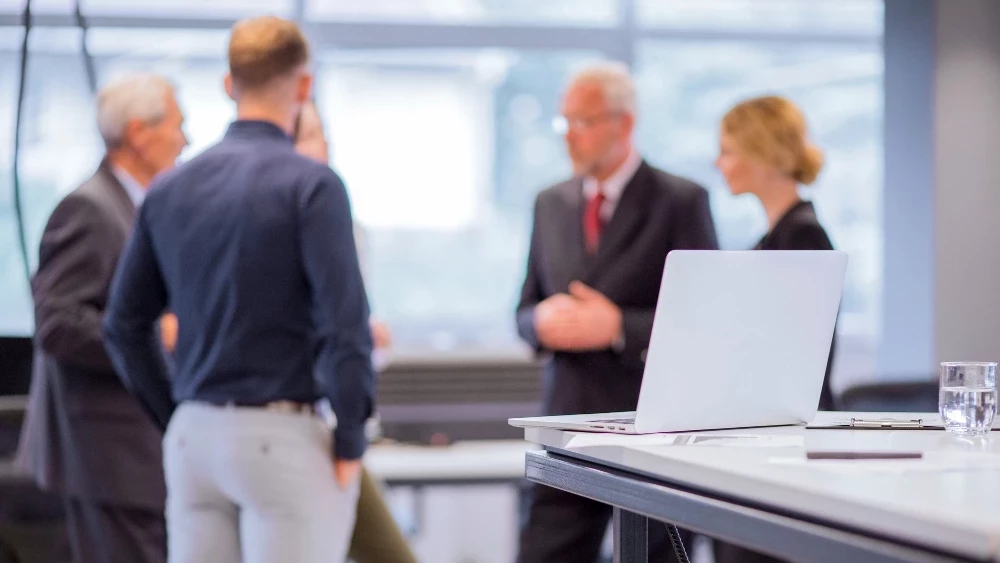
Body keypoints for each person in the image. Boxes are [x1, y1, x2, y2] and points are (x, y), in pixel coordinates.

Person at [102, 16, 374, 563]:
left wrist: (174, 410)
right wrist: (350, 438)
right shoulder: (312, 186)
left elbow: (123, 326)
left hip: (194, 440)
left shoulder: (168, 189)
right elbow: (344, 327)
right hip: (281, 438)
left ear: (229, 85)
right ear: (304, 85)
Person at [514, 62, 719, 563]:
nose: (570, 137)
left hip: (652, 427)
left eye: (582, 123)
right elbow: (523, 308)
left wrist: (618, 329)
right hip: (567, 424)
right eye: (564, 123)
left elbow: (706, 320)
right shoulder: (549, 203)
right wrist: (538, 323)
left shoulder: (680, 200)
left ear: (624, 124)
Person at [17, 73, 187, 563]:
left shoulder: (134, 208)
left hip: (130, 456)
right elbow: (57, 323)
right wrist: (156, 335)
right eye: (178, 124)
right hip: (106, 455)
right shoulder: (89, 209)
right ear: (140, 132)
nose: (185, 139)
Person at [712, 94, 835, 563]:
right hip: (771, 435)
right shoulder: (773, 237)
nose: (719, 163)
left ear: (761, 153)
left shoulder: (801, 237)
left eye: (728, 150)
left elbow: (797, 354)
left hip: (788, 443)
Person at [295, 98, 418, 563]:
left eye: (317, 133)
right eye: (304, 134)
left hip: (333, 420)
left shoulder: (344, 224)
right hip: (301, 426)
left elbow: (347, 332)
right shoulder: (264, 224)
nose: (315, 145)